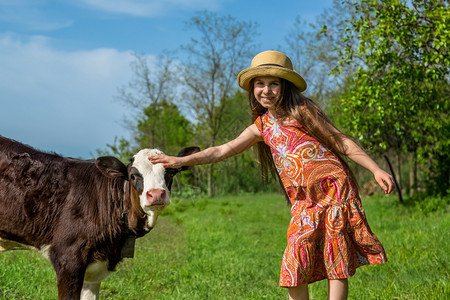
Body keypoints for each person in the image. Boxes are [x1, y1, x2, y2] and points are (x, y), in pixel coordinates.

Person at [149, 50, 393, 300]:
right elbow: (222, 150)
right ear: (252, 89)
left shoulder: (302, 110)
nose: (266, 90)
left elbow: (338, 140)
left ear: (285, 86)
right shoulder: (261, 126)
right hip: (303, 202)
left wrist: (375, 169)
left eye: (274, 83)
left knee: (335, 257)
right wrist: (180, 160)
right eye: (260, 84)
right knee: (295, 259)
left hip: (334, 190)